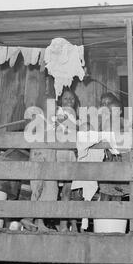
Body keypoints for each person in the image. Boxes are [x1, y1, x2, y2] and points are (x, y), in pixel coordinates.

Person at [55, 87, 82, 232]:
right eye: (66, 98)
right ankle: (59, 222)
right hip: (59, 154)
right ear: (60, 101)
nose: (69, 101)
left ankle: (66, 224)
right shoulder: (58, 115)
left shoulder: (76, 119)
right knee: (55, 191)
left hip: (71, 155)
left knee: (68, 191)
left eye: (72, 99)